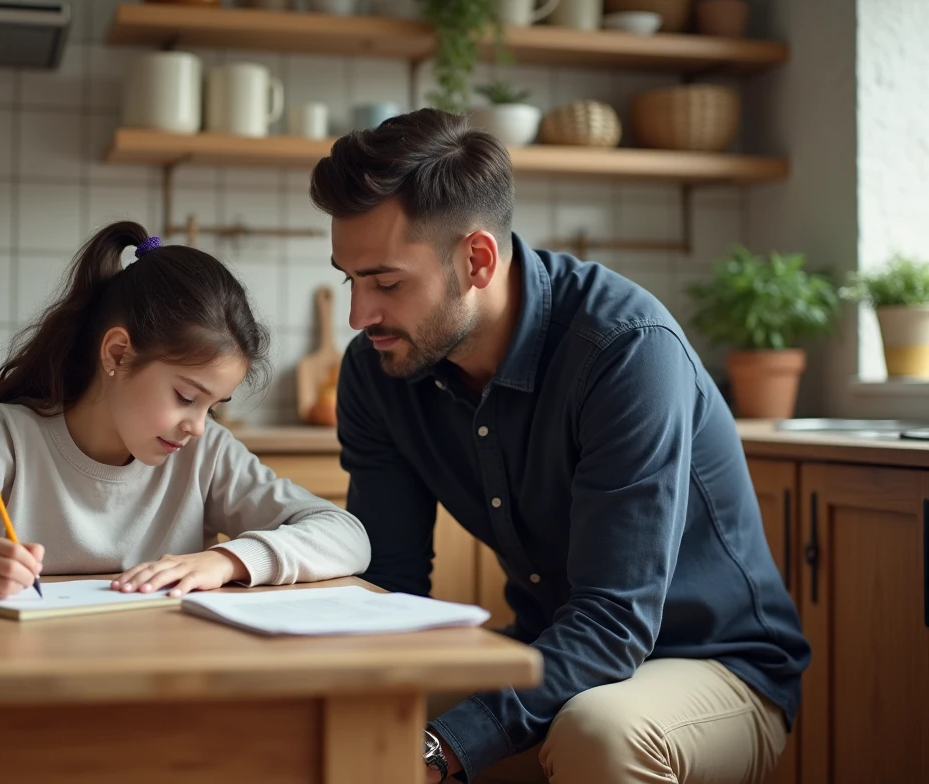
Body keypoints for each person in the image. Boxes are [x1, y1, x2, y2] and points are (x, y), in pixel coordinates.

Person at [309, 109, 810, 784]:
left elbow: (613, 620)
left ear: (477, 260)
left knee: (599, 733)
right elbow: (393, 587)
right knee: (325, 720)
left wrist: (439, 749)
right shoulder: (378, 371)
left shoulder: (625, 352)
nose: (359, 315)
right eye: (351, 279)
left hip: (714, 664)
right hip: (554, 649)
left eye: (387, 283)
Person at [0, 221, 370, 602]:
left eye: (214, 405)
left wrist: (228, 559)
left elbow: (347, 536)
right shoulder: (11, 439)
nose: (198, 424)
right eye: (187, 397)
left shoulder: (205, 452)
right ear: (118, 354)